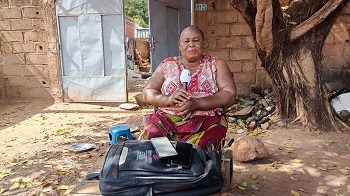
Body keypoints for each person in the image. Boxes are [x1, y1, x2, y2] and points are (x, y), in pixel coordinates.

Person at [138, 26, 237, 152]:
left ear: (203, 43)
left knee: (199, 150)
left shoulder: (216, 64)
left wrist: (198, 103)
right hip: (167, 120)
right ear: (179, 45)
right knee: (151, 143)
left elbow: (230, 94)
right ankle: (165, 164)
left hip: (206, 120)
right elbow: (147, 92)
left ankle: (190, 166)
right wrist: (168, 99)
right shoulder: (167, 65)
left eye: (196, 40)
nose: (191, 45)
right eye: (186, 41)